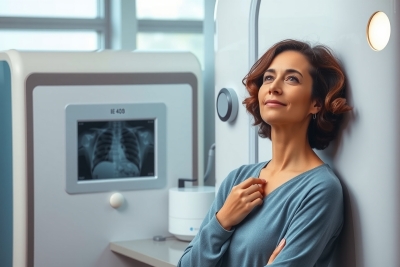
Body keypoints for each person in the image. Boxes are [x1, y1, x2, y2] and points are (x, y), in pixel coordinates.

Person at [177, 39, 352, 266]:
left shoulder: (321, 190)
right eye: (268, 77)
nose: (274, 87)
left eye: (292, 79)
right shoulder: (237, 180)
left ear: (316, 104)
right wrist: (222, 222)